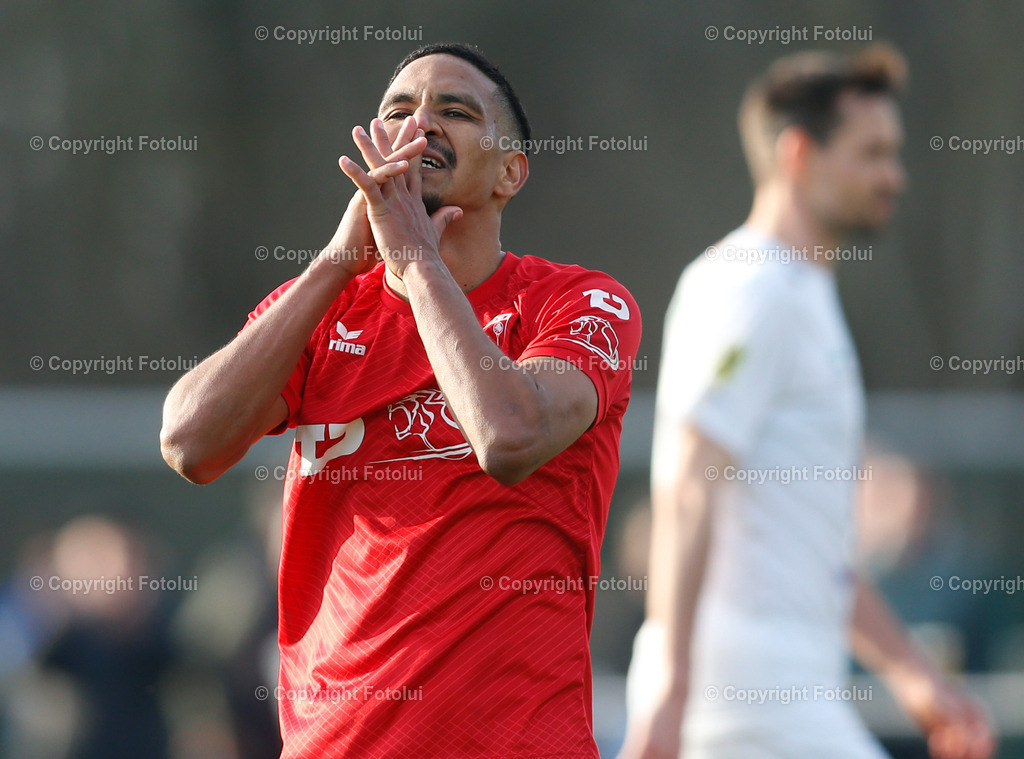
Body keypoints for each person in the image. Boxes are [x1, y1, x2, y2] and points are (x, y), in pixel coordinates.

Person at [160, 42, 641, 758]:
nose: (421, 124)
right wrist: (335, 263)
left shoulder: (576, 302)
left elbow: (509, 434)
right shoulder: (323, 313)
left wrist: (417, 260)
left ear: (511, 170)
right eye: (399, 110)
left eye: (455, 111)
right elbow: (189, 444)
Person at [618, 45, 995, 759]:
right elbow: (690, 486)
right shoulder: (750, 287)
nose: (895, 175)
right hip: (741, 699)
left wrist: (915, 675)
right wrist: (672, 684)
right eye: (873, 152)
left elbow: (819, 548)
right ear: (798, 154)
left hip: (787, 694)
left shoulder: (805, 292)